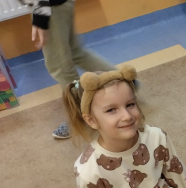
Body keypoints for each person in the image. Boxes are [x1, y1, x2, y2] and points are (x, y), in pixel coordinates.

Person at [20, 0, 116, 139]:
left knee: (60, 67)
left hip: (48, 7)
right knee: (75, 53)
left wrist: (40, 16)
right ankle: (121, 79)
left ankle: (80, 116)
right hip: (56, 5)